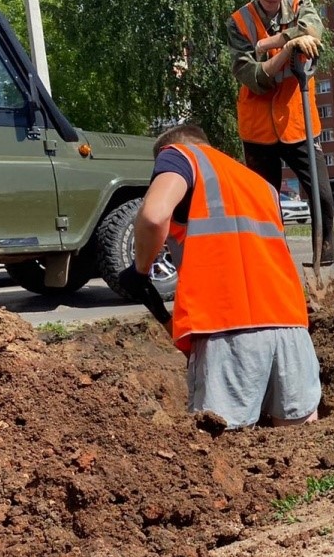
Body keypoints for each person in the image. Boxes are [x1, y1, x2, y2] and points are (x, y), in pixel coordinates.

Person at [119, 123, 321, 429]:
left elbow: (153, 215)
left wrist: (141, 270)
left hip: (228, 329)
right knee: (302, 450)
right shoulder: (260, 185)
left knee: (220, 458)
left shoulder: (179, 155)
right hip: (291, 327)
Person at [227, 0, 334, 266]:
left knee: (323, 197)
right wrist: (288, 51)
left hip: (299, 122)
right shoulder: (238, 23)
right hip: (258, 129)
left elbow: (314, 29)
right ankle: (275, 267)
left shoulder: (302, 4)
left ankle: (323, 261)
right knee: (265, 205)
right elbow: (254, 76)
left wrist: (274, 42)